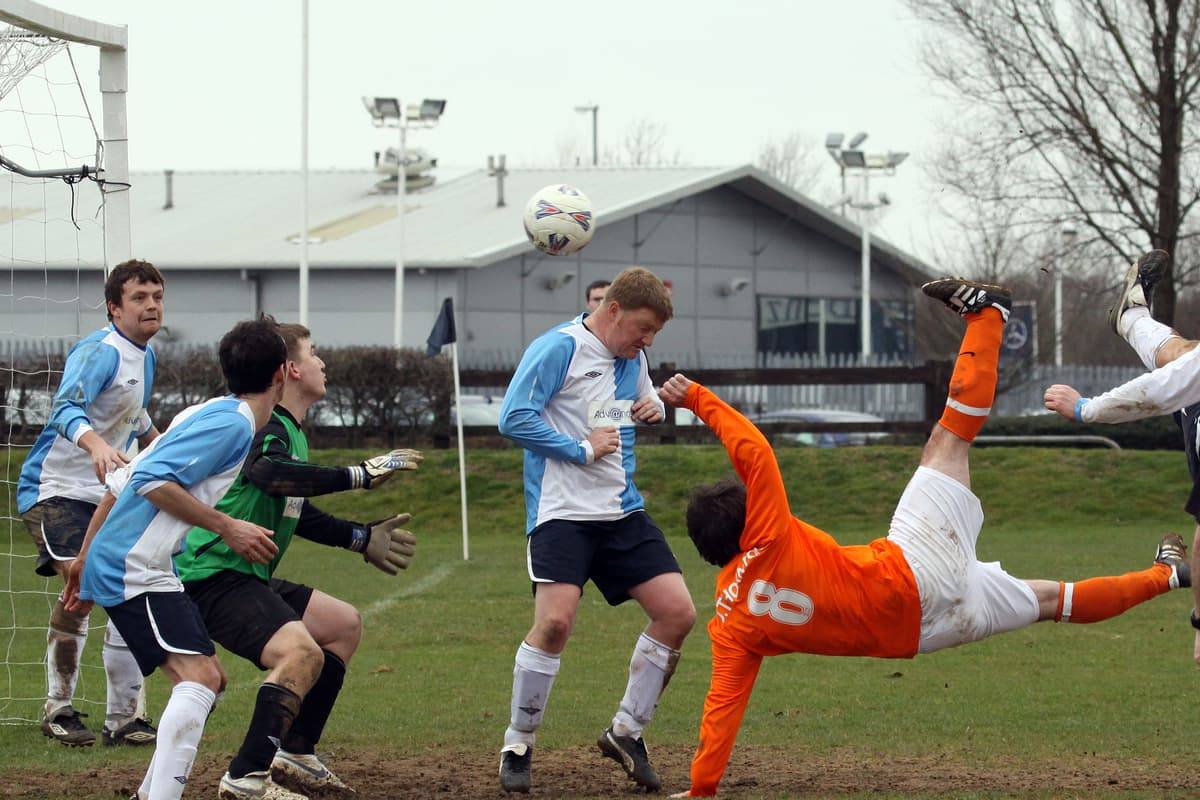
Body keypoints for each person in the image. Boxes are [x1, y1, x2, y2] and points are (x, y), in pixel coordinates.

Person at [663, 278, 1189, 798]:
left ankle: (1169, 575)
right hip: (912, 574)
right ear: (747, 520)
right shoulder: (769, 534)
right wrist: (695, 397)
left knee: (1056, 599)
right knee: (947, 439)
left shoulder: (730, 624)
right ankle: (989, 316)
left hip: (926, 633)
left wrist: (702, 788)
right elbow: (754, 451)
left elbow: (723, 703)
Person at [173, 323, 419, 800]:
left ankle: (295, 750)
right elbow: (270, 474)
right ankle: (246, 776)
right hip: (213, 575)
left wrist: (359, 537)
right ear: (289, 369)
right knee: (300, 654)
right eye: (315, 352)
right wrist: (360, 475)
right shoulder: (265, 426)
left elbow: (293, 505)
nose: (322, 363)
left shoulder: (287, 430)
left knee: (342, 625)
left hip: (244, 574)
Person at [63, 317, 287, 800]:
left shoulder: (203, 413)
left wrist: (83, 559)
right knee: (201, 679)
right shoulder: (231, 424)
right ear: (282, 376)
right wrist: (228, 527)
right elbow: (150, 482)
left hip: (143, 564)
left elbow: (120, 482)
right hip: (132, 564)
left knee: (212, 679)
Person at [496, 266, 696, 794]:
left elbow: (630, 408)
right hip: (561, 514)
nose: (648, 340)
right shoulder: (557, 347)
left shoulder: (634, 356)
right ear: (612, 310)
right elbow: (514, 417)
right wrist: (579, 449)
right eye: (643, 327)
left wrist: (650, 409)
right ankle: (519, 741)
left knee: (678, 613)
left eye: (655, 332)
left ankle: (626, 732)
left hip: (622, 511)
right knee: (555, 626)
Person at [16, 259, 165, 747]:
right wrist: (96, 445)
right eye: (139, 298)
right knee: (88, 588)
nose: (151, 306)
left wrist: (168, 451)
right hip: (55, 488)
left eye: (157, 296)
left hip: (108, 494)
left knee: (123, 586)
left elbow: (136, 416)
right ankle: (58, 707)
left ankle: (124, 719)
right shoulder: (99, 350)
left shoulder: (145, 357)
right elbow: (64, 408)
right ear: (114, 307)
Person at [1043, 249, 1200, 665]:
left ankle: (1130, 317)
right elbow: (1153, 392)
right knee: (1183, 362)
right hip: (1192, 410)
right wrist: (1085, 408)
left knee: (1181, 355)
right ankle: (1130, 317)